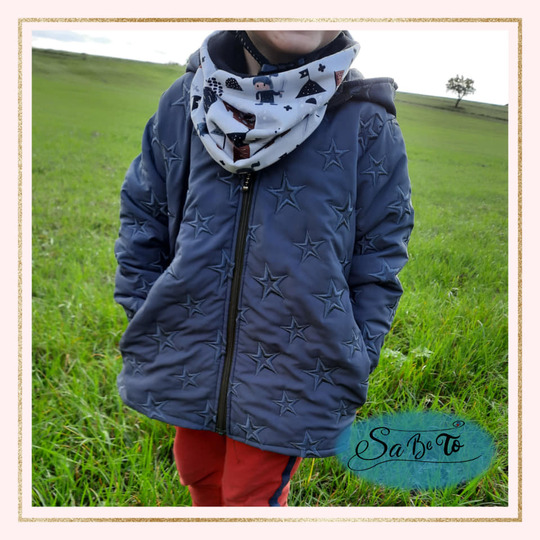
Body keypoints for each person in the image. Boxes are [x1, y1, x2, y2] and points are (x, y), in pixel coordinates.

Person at [114, 30, 414, 507]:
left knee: (251, 495)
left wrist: (356, 347)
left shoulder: (365, 121)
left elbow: (381, 251)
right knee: (197, 471)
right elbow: (143, 214)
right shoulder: (185, 101)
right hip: (187, 350)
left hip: (295, 372)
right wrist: (145, 309)